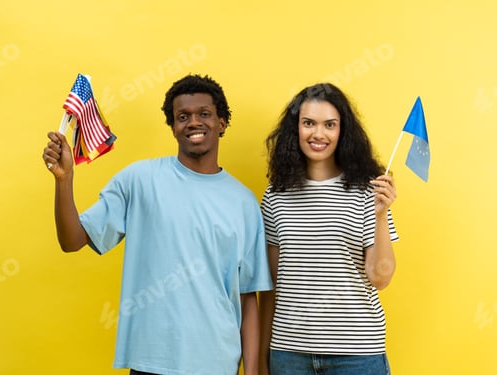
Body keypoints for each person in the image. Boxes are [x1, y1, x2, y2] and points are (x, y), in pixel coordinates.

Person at [42, 74, 272, 375]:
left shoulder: (243, 203)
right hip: (151, 362)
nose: (193, 122)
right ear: (173, 126)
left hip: (217, 363)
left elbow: (247, 297)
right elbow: (72, 240)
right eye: (182, 116)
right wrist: (64, 180)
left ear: (222, 122)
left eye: (204, 114)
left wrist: (253, 372)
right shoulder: (139, 181)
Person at [258, 83, 399, 375]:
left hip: (356, 355)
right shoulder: (276, 195)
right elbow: (269, 286)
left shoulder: (367, 192)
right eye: (308, 123)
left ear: (342, 131)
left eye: (329, 125)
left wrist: (381, 215)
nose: (318, 134)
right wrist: (262, 357)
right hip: (288, 354)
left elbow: (380, 278)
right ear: (295, 128)